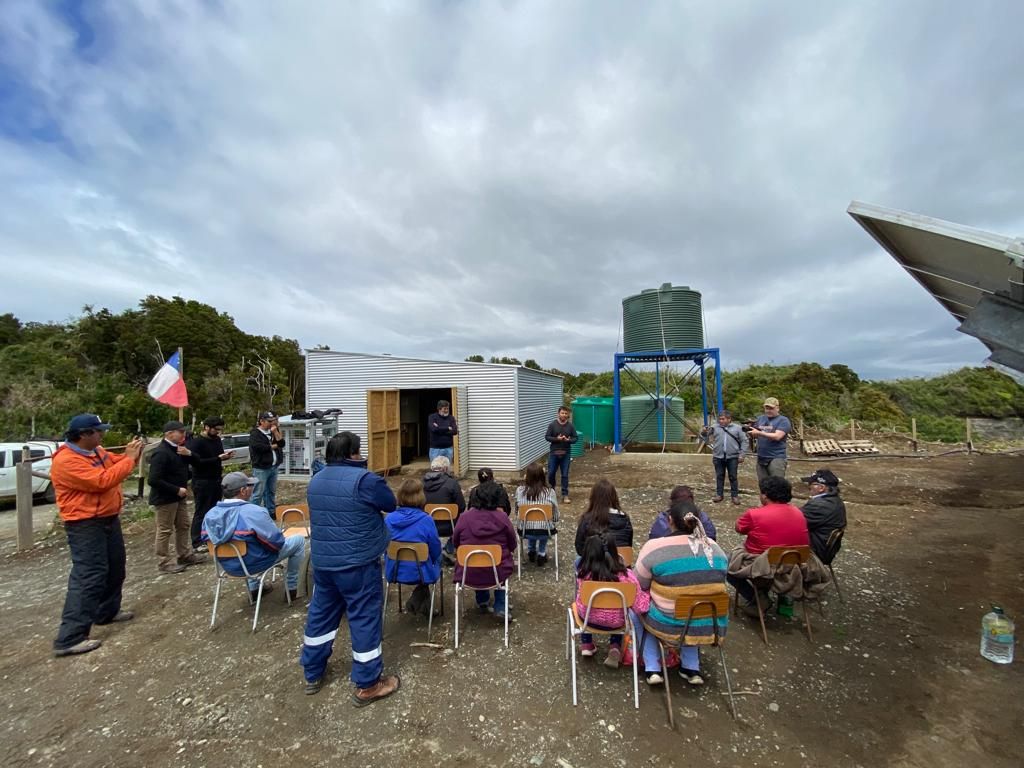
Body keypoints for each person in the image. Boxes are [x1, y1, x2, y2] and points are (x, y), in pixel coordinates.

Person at [300, 431, 400, 706]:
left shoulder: (316, 480)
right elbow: (390, 504)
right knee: (364, 617)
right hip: (358, 563)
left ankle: (312, 672)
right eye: (358, 450)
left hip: (324, 562)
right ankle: (368, 684)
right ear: (352, 454)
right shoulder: (365, 480)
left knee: (321, 614)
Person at [50, 414, 144, 657]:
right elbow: (102, 481)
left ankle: (107, 611)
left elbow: (118, 464)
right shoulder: (66, 461)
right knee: (89, 576)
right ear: (83, 434)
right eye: (98, 431)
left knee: (115, 567)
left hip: (108, 518)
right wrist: (129, 459)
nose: (102, 434)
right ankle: (70, 637)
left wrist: (134, 454)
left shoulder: (97, 452)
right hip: (84, 524)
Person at [633, 501, 729, 686]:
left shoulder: (655, 547)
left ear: (670, 521)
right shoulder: (715, 549)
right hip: (710, 624)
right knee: (695, 602)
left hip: (668, 624)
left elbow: (639, 583)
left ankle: (653, 667)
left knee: (636, 609)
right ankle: (691, 666)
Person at [201, 471, 306, 602]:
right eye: (250, 485)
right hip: (255, 564)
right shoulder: (254, 512)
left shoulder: (209, 515)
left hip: (228, 566)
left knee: (250, 545)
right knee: (298, 540)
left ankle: (254, 589)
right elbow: (276, 543)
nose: (253, 488)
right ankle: (293, 587)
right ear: (243, 491)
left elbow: (207, 541)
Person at [726, 476, 809, 617]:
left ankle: (758, 599)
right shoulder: (799, 513)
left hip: (763, 565)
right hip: (793, 564)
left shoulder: (755, 514)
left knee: (726, 564)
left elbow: (739, 528)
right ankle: (776, 596)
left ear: (764, 496)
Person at [574, 532, 649, 668]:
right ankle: (615, 646)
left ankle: (586, 644)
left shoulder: (584, 574)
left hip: (587, 620)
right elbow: (641, 607)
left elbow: (580, 598)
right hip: (617, 623)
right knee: (620, 610)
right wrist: (648, 595)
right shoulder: (627, 576)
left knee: (580, 604)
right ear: (615, 552)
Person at [452, 481, 518, 619]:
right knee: (501, 562)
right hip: (497, 571)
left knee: (476, 559)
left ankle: (482, 601)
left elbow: (455, 542)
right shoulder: (502, 518)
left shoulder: (464, 518)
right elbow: (512, 543)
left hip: (467, 571)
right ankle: (500, 606)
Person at [149, 420, 206, 574]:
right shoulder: (161, 453)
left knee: (183, 525)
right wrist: (175, 489)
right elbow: (153, 480)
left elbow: (198, 462)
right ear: (169, 434)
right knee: (165, 530)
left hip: (179, 497)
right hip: (165, 498)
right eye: (180, 432)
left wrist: (190, 454)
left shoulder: (179, 450)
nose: (183, 435)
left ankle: (184, 554)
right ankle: (164, 562)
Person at [384, 478, 443, 616]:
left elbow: (383, 545)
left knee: (423, 559)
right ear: (420, 496)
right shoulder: (426, 520)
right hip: (421, 572)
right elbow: (435, 549)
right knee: (436, 558)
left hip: (394, 570)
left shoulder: (389, 519)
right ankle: (419, 600)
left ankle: (419, 600)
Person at [186, 416, 234, 550]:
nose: (218, 432)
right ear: (207, 427)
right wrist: (217, 458)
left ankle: (212, 536)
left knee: (215, 510)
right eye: (216, 429)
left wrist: (224, 456)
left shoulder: (217, 440)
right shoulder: (196, 443)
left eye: (220, 429)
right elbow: (197, 463)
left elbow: (217, 457)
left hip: (216, 479)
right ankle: (197, 541)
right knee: (201, 511)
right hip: (202, 481)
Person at [422, 455, 466, 564]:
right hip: (449, 526)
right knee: (464, 519)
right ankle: (449, 548)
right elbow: (462, 506)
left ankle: (431, 549)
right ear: (446, 469)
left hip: (427, 525)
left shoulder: (421, 484)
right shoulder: (452, 483)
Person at [514, 462, 559, 567]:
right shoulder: (550, 492)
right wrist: (553, 520)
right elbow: (556, 515)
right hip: (546, 531)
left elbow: (517, 511)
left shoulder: (520, 491)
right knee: (545, 523)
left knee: (529, 521)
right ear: (543, 476)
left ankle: (531, 550)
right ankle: (541, 553)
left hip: (525, 531)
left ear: (527, 476)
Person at [799, 469, 847, 565]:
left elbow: (794, 521)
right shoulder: (834, 500)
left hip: (816, 550)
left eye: (811, 484)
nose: (809, 486)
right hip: (823, 546)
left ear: (821, 488)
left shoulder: (820, 505)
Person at [574, 479, 633, 555]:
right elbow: (628, 545)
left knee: (578, 558)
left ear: (593, 498)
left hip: (594, 561)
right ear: (614, 497)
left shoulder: (587, 519)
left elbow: (579, 547)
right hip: (621, 560)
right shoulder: (625, 519)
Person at [700, 409, 746, 504]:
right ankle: (719, 494)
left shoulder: (737, 428)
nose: (721, 421)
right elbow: (705, 435)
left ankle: (734, 496)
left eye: (723, 419)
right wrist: (704, 431)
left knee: (733, 476)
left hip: (732, 457)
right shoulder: (714, 427)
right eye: (720, 419)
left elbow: (744, 441)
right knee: (719, 476)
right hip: (718, 456)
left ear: (729, 419)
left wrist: (742, 454)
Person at [648, 486, 717, 541]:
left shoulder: (663, 519)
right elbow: (711, 538)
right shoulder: (702, 517)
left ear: (671, 521)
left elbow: (654, 539)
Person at [249, 411, 285, 517]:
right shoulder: (255, 433)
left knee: (271, 491)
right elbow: (259, 448)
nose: (271, 423)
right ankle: (252, 514)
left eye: (273, 421)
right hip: (261, 468)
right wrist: (274, 446)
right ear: (262, 421)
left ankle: (270, 511)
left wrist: (276, 432)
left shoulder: (273, 431)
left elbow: (282, 443)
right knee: (258, 493)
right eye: (269, 421)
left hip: (273, 466)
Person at [747, 397, 791, 481]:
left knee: (776, 484)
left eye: (771, 408)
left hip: (776, 457)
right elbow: (755, 435)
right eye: (766, 408)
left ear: (777, 408)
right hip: (761, 457)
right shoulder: (761, 419)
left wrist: (759, 433)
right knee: (763, 484)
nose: (768, 411)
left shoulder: (783, 420)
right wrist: (750, 430)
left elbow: (777, 436)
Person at [545, 406, 578, 503]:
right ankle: (552, 492)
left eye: (566, 413)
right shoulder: (552, 425)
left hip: (566, 453)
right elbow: (547, 437)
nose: (564, 415)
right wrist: (557, 439)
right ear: (558, 414)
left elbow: (575, 438)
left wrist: (568, 440)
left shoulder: (570, 426)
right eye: (562, 413)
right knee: (551, 473)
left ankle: (565, 494)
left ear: (568, 415)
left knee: (565, 474)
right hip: (554, 453)